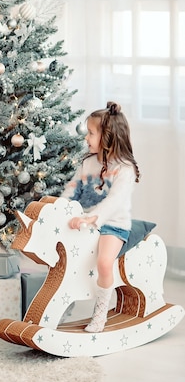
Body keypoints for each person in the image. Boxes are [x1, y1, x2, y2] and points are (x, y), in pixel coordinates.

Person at [61, 101, 140, 332]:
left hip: (112, 226)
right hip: (86, 223)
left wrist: (91, 218)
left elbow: (113, 202)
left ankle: (100, 313)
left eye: (91, 133)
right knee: (65, 261)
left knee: (104, 263)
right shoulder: (87, 162)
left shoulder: (125, 168)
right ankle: (63, 304)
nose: (86, 138)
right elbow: (72, 189)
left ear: (108, 137)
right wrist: (61, 208)